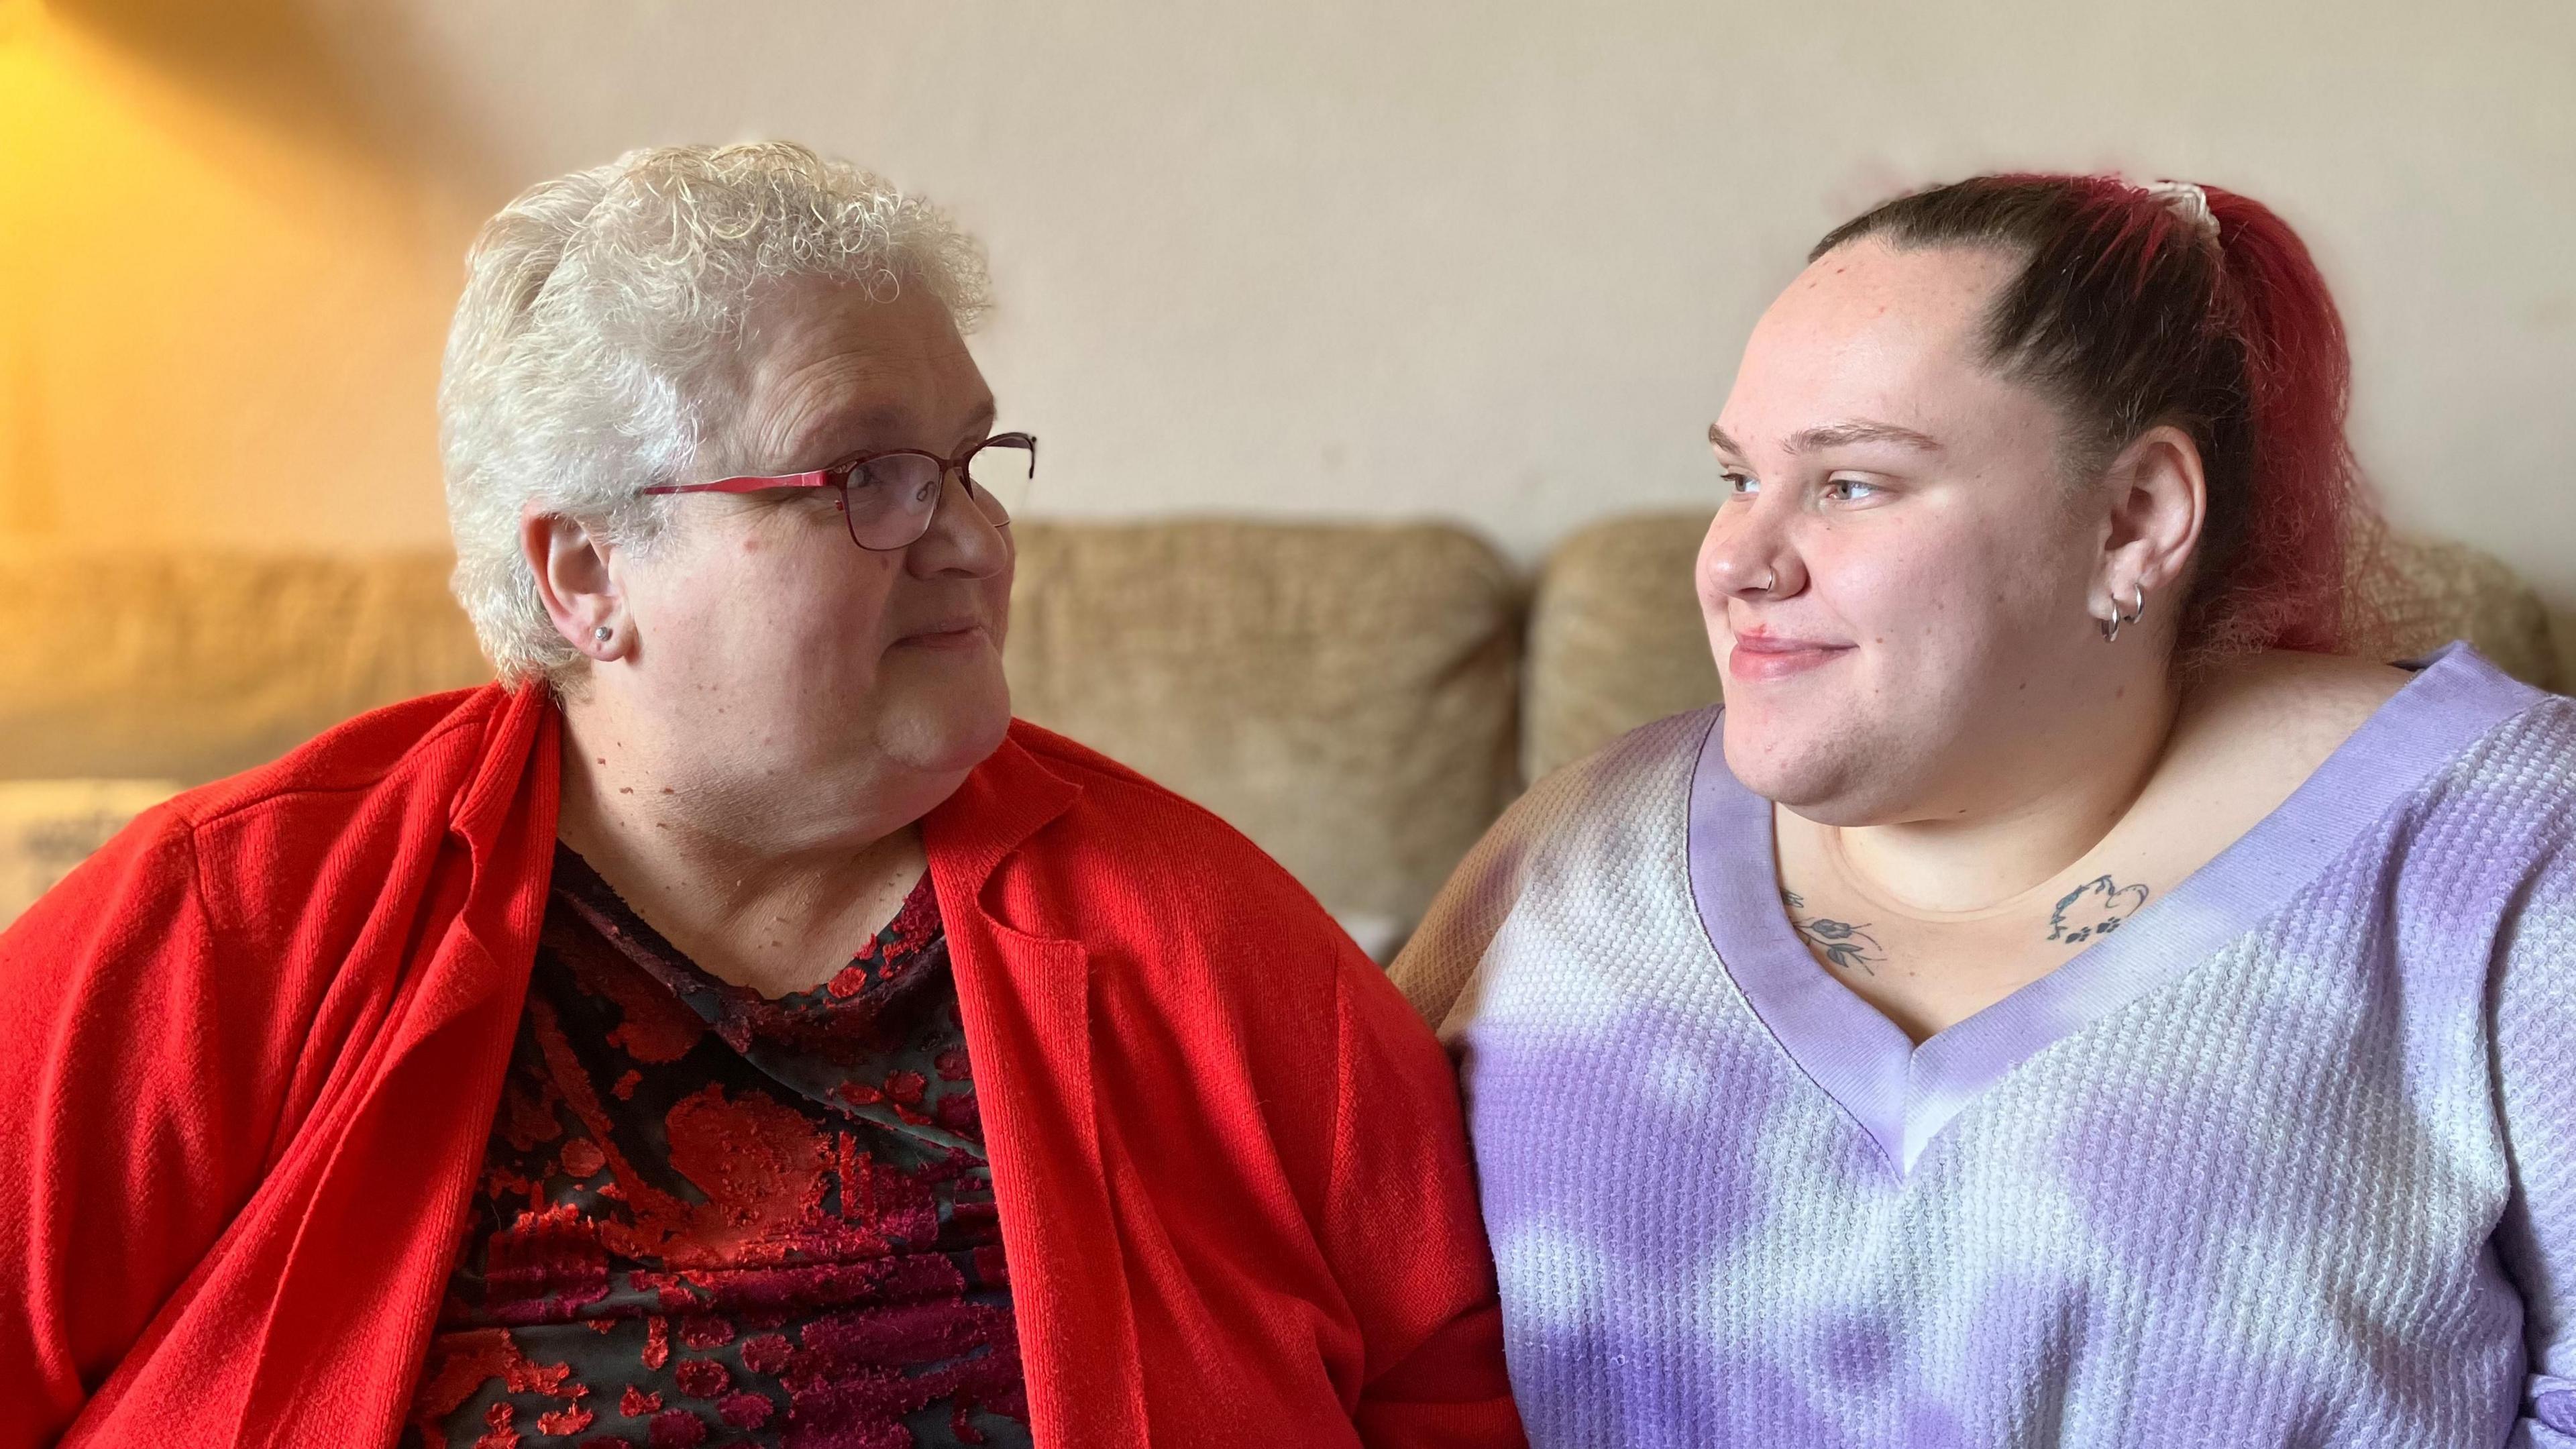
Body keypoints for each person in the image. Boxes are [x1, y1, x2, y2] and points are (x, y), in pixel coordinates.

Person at [0, 142, 1522, 1449]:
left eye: (967, 461)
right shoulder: (227, 925)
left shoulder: (1217, 954)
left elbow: (1456, 1398)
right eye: (862, 473)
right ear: (588, 574)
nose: (971, 540)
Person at [1393, 173, 2574, 1445]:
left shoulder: (2502, 849)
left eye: (1850, 484)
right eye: (1739, 477)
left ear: (2136, 519)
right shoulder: (1584, 847)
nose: (1737, 562)